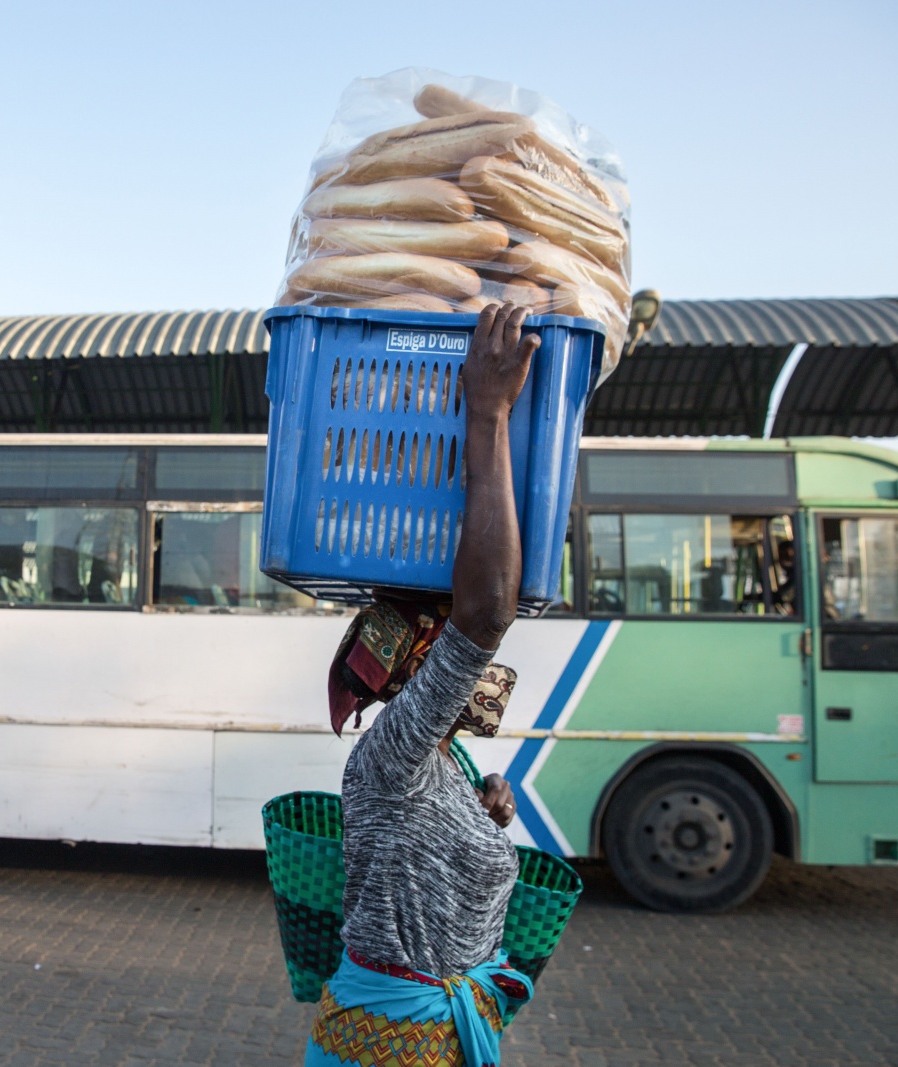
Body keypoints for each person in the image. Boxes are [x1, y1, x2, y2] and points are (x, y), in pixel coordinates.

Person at [306, 304, 539, 1067]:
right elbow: (485, 611)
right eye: (448, 654)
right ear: (417, 671)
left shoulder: (433, 764)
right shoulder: (395, 750)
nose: (480, 678)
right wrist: (488, 411)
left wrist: (481, 820)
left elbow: (421, 863)